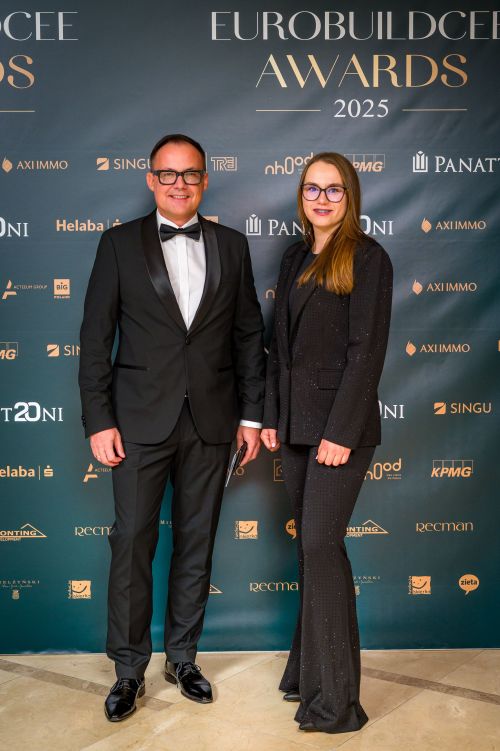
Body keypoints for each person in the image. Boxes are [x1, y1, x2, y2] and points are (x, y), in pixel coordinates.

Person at [78, 133, 265, 722]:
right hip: (136, 423)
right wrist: (99, 419)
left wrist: (252, 416)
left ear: (205, 180)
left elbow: (248, 336)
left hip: (212, 420)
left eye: (190, 174)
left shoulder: (232, 246)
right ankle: (128, 669)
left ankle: (183, 657)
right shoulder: (117, 244)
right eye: (168, 174)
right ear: (151, 179)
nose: (179, 184)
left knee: (196, 541)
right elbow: (95, 339)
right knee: (132, 542)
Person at [261, 152, 393, 734]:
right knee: (309, 552)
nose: (321, 199)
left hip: (339, 432)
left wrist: (340, 432)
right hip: (294, 427)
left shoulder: (368, 257)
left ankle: (336, 702)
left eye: (333, 189)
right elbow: (278, 348)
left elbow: (368, 352)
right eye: (312, 189)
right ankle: (306, 674)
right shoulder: (295, 256)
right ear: (301, 195)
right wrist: (272, 415)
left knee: (320, 545)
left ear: (350, 196)